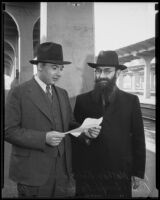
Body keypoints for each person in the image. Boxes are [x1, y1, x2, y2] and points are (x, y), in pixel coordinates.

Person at [5, 42, 100, 198]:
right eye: (54, 68)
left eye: (61, 68)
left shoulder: (62, 94)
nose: (59, 73)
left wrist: (85, 132)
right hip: (32, 174)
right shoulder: (19, 93)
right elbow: (8, 131)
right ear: (40, 66)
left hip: (62, 174)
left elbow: (69, 125)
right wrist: (43, 138)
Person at [72, 50, 146, 198]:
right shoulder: (82, 101)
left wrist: (138, 172)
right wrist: (84, 134)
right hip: (88, 173)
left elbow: (138, 138)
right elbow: (74, 133)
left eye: (107, 71)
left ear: (117, 73)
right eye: (98, 71)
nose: (101, 76)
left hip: (119, 174)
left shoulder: (131, 101)